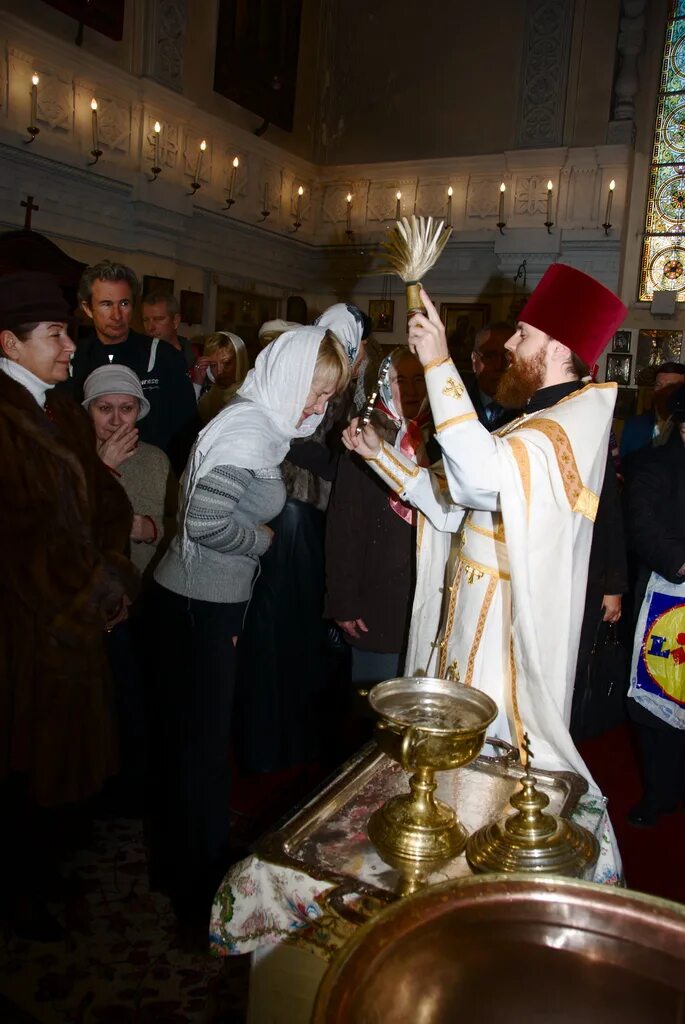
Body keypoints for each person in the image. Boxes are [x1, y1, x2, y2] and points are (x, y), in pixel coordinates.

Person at [344, 264, 627, 783]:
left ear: (560, 347)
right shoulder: (536, 417)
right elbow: (457, 503)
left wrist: (437, 362)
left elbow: (480, 478)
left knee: (489, 769)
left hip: (507, 633)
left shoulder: (565, 428)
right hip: (472, 612)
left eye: (525, 333)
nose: (512, 345)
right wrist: (379, 456)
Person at [149, 326, 350, 926]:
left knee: (193, 748)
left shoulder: (262, 422)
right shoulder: (248, 430)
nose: (316, 407)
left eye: (326, 395)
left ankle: (180, 868)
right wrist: (260, 540)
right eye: (315, 394)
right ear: (288, 378)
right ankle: (196, 890)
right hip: (194, 603)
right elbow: (205, 523)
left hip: (206, 599)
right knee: (201, 753)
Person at [0, 272, 138, 938]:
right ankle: (26, 899)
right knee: (28, 763)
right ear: (10, 342)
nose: (69, 348)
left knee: (64, 771)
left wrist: (109, 577)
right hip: (29, 629)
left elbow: (106, 503)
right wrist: (92, 596)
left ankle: (53, 875)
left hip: (77, 619)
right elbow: (21, 539)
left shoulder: (55, 407)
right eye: (55, 334)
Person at [234, 305, 365, 775]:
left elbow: (345, 473)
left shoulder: (353, 402)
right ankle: (270, 745)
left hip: (315, 532)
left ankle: (298, 744)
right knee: (270, 642)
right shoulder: (264, 408)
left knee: (305, 647)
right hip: (276, 530)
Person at [326, 348, 434, 695]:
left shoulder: (443, 438)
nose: (412, 389)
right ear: (383, 384)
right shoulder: (363, 437)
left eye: (419, 379)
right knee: (377, 710)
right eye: (401, 380)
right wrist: (343, 600)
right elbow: (344, 527)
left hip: (429, 597)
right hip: (376, 599)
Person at [70, 260, 197, 473]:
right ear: (88, 308)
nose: (117, 316)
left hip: (152, 479)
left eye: (124, 304)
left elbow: (188, 430)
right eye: (106, 304)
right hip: (89, 477)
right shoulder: (72, 359)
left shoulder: (164, 356)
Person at [624, 385, 685, 826]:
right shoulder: (653, 465)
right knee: (657, 705)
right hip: (667, 599)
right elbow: (644, 528)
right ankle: (659, 795)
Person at [620, 362, 685, 463]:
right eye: (659, 385)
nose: (663, 390)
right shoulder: (635, 425)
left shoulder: (682, 428)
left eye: (670, 386)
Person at [193, 330, 249, 424]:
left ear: (239, 362)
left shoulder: (250, 393)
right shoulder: (210, 397)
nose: (219, 370)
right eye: (214, 365)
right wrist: (198, 382)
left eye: (226, 363)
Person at [466, 322, 514, 429]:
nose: (499, 365)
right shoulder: (457, 403)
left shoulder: (532, 406)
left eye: (508, 356)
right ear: (474, 360)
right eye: (489, 356)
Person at [142, 290, 199, 370]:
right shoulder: (139, 356)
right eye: (146, 320)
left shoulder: (193, 357)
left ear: (175, 321)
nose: (150, 327)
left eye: (158, 319)